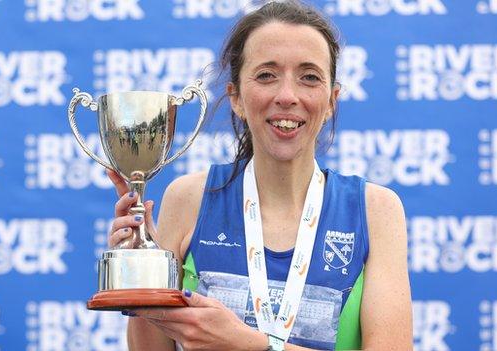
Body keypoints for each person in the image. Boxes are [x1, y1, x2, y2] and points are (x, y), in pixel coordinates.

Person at [106, 1, 412, 350]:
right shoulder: (188, 198)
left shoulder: (375, 210)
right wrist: (145, 281)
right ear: (235, 96)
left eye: (309, 77)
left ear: (331, 100)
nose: (287, 96)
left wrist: (254, 345)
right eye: (266, 75)